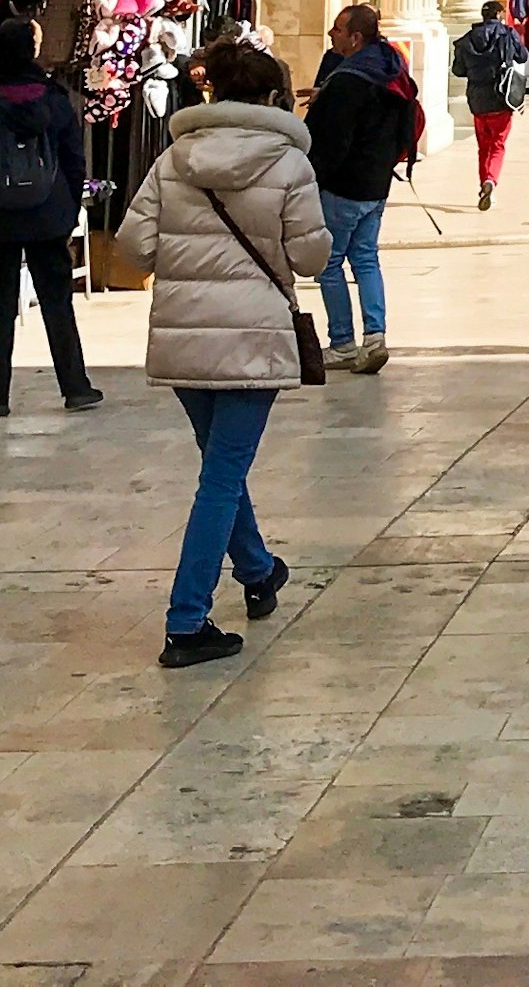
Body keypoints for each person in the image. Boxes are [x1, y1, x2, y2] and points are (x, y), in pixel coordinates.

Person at [127, 37, 328, 667]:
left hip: (185, 335)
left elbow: (133, 247)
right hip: (253, 337)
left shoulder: (174, 158)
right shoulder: (289, 163)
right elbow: (310, 257)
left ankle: (259, 570)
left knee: (221, 466)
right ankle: (186, 621)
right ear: (270, 96)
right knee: (221, 476)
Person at [0, 19, 102, 415]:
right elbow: (74, 161)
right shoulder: (55, 101)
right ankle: (76, 386)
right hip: (48, 217)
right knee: (58, 303)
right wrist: (69, 211)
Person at [304, 4, 418, 374]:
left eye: (337, 29)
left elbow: (333, 141)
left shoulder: (348, 81)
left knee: (329, 262)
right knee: (366, 258)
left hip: (343, 186)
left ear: (355, 38)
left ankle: (341, 343)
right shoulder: (390, 68)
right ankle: (375, 337)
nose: (331, 35)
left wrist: (313, 178)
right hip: (376, 184)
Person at [452, 0, 529, 211]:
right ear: (498, 14)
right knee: (497, 144)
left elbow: (457, 70)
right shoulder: (506, 34)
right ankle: (490, 180)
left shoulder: (467, 39)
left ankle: (484, 184)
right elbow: (522, 56)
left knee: (483, 147)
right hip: (501, 98)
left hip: (477, 100)